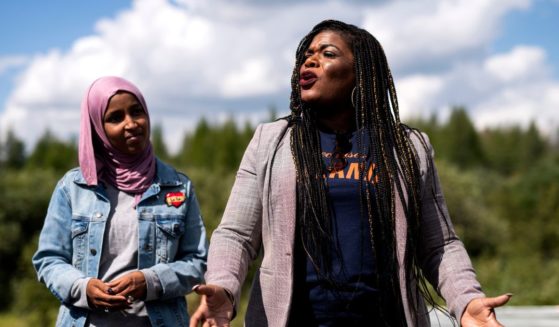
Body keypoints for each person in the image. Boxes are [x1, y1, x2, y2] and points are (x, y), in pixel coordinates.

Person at [189, 20, 511, 327]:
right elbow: (237, 234)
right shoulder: (272, 141)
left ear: (362, 74)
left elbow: (439, 245)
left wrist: (467, 301)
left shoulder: (407, 146)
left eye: (327, 54)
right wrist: (223, 286)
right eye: (306, 56)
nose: (309, 62)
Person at [32, 76, 208, 327]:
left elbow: (198, 263)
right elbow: (48, 260)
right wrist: (83, 288)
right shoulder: (72, 189)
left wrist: (150, 281)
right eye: (115, 118)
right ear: (97, 127)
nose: (132, 123)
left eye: (137, 112)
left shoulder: (178, 186)